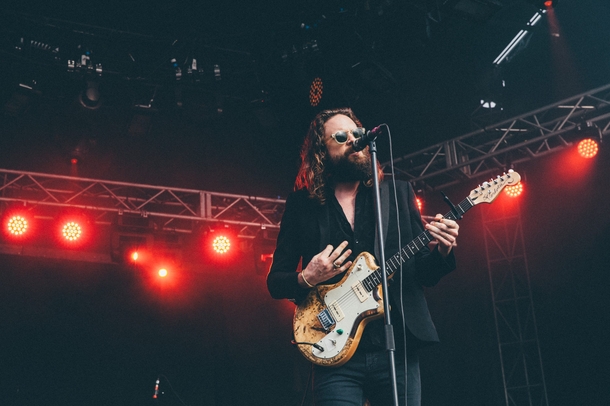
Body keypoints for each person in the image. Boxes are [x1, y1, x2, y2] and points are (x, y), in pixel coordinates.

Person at [267, 107, 459, 406]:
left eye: (357, 135)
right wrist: (307, 277)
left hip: (396, 347)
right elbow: (276, 282)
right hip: (334, 353)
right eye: (341, 137)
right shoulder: (302, 206)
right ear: (322, 151)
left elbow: (423, 273)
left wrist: (443, 250)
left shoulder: (396, 193)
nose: (353, 141)